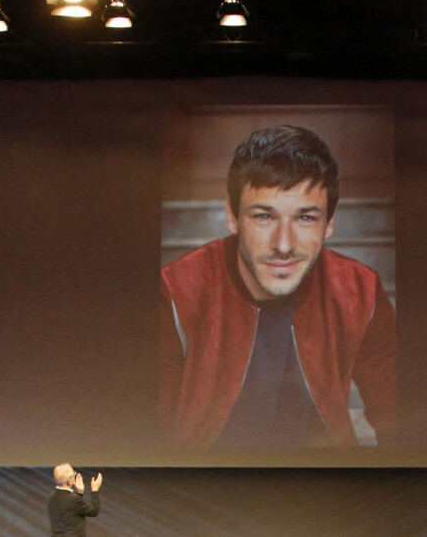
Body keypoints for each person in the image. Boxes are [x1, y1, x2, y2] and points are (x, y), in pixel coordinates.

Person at [159, 124, 396, 449]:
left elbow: (401, 423)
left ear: (329, 224)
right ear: (232, 216)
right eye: (264, 217)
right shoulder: (177, 289)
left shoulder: (360, 291)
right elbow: (148, 436)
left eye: (306, 218)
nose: (284, 244)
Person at [47, 463, 103, 537]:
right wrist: (95, 490)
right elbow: (94, 511)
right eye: (73, 475)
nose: (75, 476)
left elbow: (72, 511)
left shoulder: (51, 497)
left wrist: (80, 493)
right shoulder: (73, 499)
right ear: (69, 481)